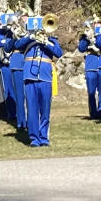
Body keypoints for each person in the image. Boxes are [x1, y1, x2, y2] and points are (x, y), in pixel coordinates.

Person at [14, 19, 63, 147]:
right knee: (32, 109)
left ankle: (43, 137)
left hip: (46, 77)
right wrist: (31, 37)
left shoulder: (52, 40)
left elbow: (59, 53)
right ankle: (34, 138)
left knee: (45, 110)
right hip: (30, 76)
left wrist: (46, 42)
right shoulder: (28, 39)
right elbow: (17, 45)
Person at [78, 18, 101, 120]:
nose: (96, 26)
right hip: (91, 65)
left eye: (98, 24)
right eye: (95, 24)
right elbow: (81, 49)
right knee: (91, 92)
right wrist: (86, 38)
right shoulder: (84, 37)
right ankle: (93, 113)